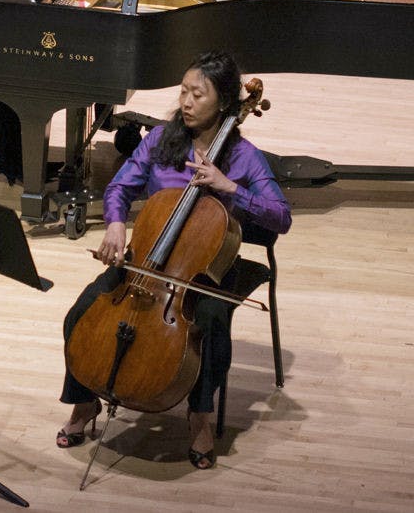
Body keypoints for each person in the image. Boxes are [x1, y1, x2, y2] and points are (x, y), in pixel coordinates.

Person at [57, 52, 291, 469]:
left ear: (222, 103)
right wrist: (114, 224)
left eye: (197, 94)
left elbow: (280, 217)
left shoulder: (244, 157)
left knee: (213, 327)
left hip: (206, 269)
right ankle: (83, 403)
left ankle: (199, 417)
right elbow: (120, 187)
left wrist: (230, 188)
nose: (185, 101)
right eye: (183, 91)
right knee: (81, 312)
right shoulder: (162, 139)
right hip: (146, 259)